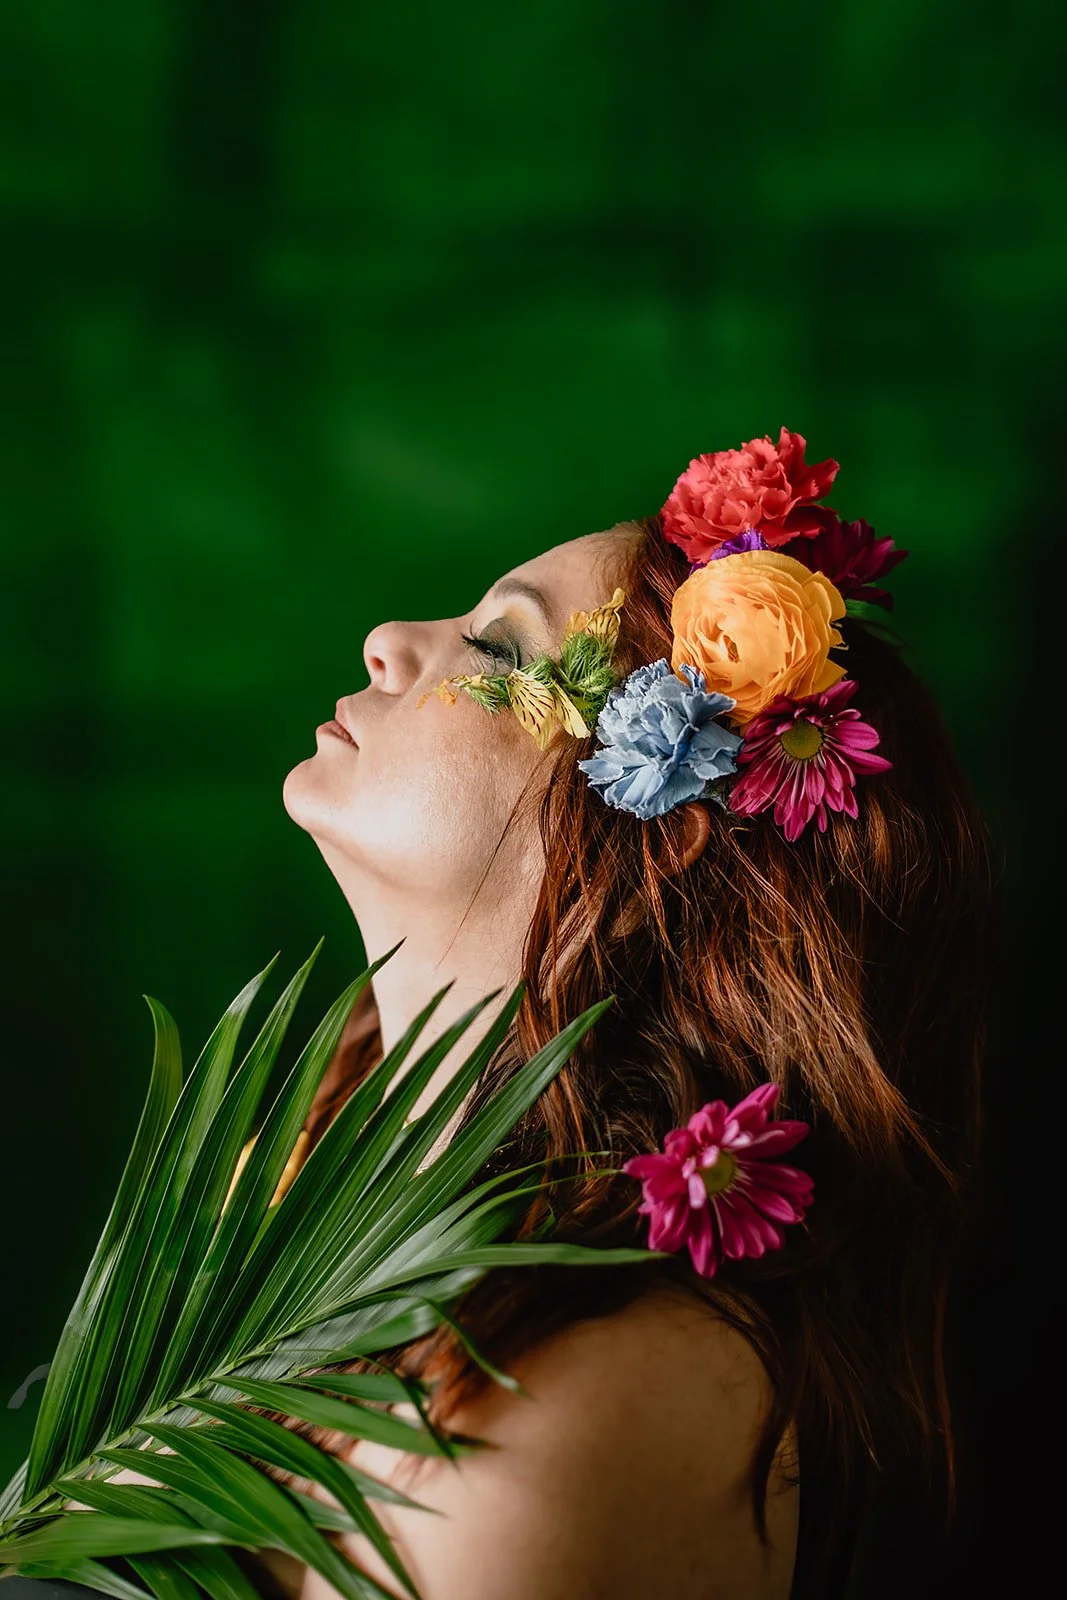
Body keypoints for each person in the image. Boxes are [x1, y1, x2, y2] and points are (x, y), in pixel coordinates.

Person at [84, 430, 995, 1600]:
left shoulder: (601, 1385)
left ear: (652, 849)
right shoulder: (292, 1176)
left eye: (496, 642)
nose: (389, 641)